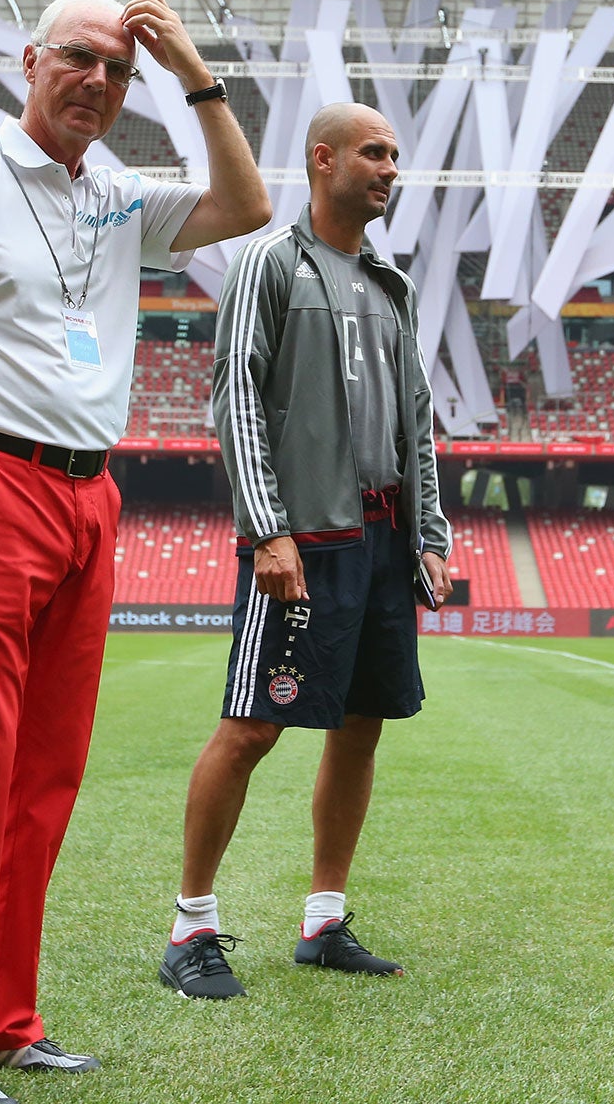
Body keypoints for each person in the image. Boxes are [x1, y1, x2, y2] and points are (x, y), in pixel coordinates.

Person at [0, 0, 269, 1102]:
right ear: (29, 61)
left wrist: (191, 70)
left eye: (116, 72)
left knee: (43, 776)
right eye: (78, 59)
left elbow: (246, 202)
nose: (96, 82)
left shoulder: (118, 194)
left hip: (88, 495)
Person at [160, 101, 453, 1001]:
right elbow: (235, 395)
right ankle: (191, 927)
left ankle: (324, 920)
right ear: (322, 159)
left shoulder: (392, 285)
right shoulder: (267, 264)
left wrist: (430, 533)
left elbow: (418, 423)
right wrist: (267, 528)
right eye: (374, 153)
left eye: (396, 155)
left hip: (382, 540)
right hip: (304, 540)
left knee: (362, 725)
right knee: (252, 727)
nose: (390, 168)